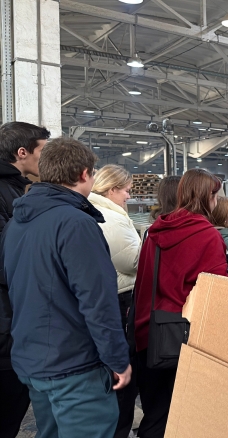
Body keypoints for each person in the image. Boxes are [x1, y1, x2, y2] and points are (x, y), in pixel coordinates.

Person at [2, 138, 131, 437]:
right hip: (74, 365)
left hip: (32, 358)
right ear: (84, 173)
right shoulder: (76, 223)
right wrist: (117, 359)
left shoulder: (17, 223)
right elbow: (98, 301)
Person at [133, 169, 227, 438]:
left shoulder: (155, 231)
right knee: (182, 418)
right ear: (207, 197)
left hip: (148, 332)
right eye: (215, 195)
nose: (217, 201)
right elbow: (214, 294)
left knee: (155, 413)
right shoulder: (208, 236)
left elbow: (143, 282)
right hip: (183, 337)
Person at [0, 122, 49, 438]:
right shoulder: (5, 191)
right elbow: (7, 258)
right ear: (22, 152)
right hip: (5, 325)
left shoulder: (16, 188)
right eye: (43, 151)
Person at [88, 164, 141, 438]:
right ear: (112, 189)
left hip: (113, 295)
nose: (129, 196)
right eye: (126, 190)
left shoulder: (96, 211)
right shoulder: (111, 217)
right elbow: (132, 260)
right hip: (122, 297)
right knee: (123, 368)